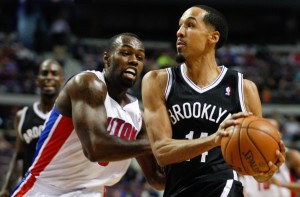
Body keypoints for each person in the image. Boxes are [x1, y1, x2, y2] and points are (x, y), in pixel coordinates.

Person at [141, 5, 286, 197]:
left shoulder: (243, 88)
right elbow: (161, 152)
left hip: (223, 187)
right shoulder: (158, 81)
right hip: (177, 189)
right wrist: (214, 140)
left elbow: (250, 166)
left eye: (190, 25)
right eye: (179, 26)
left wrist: (264, 170)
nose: (179, 32)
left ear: (213, 37)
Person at [10, 32, 165, 197]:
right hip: (47, 189)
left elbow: (156, 179)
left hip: (92, 192)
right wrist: (160, 143)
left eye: (140, 57)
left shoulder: (137, 116)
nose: (134, 60)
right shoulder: (87, 84)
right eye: (126, 53)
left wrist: (190, 157)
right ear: (107, 58)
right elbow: (95, 148)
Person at [0, 59, 64, 197]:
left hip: (59, 190)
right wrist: (6, 188)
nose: (49, 77)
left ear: (61, 80)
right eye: (44, 73)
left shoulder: (68, 116)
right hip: (31, 191)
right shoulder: (22, 115)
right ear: (37, 80)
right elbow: (19, 156)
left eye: (54, 73)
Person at [241, 118, 300, 197]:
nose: (266, 132)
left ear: (280, 133)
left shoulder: (291, 155)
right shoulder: (245, 155)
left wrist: (281, 184)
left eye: (271, 129)